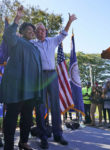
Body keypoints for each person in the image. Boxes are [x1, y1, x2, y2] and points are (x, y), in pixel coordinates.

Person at [31, 13, 77, 149]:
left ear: (46, 31)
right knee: (40, 107)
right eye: (38, 30)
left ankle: (58, 134)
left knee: (55, 105)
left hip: (52, 75)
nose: (41, 32)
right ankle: (43, 136)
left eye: (43, 30)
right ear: (35, 32)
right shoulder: (32, 44)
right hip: (39, 76)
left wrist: (69, 21)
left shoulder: (52, 41)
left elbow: (63, 34)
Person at [0, 6, 43, 150]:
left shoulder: (36, 49)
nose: (32, 32)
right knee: (11, 118)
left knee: (27, 118)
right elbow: (7, 35)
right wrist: (17, 18)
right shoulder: (17, 42)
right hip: (16, 88)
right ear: (22, 32)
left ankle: (23, 142)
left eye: (33, 31)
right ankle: (8, 146)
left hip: (30, 90)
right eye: (28, 30)